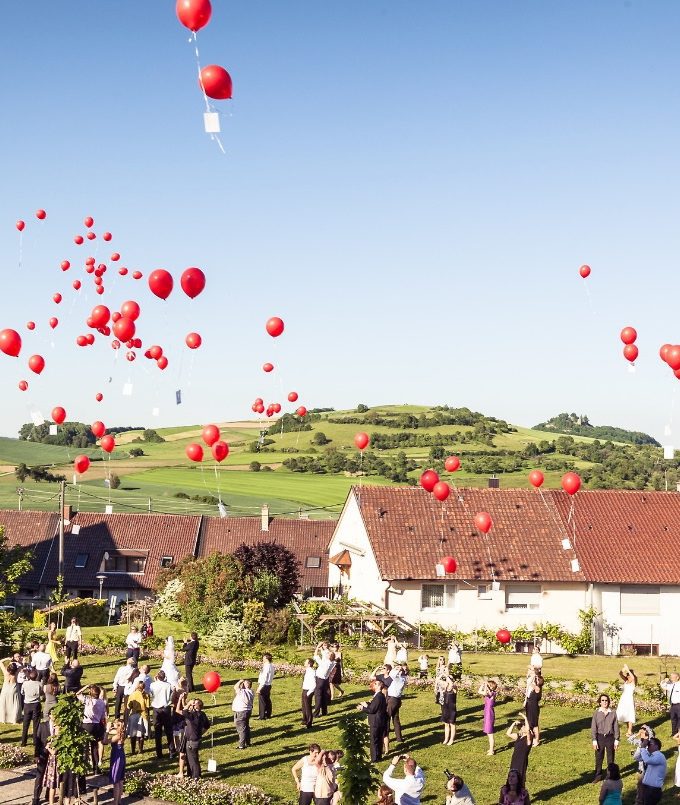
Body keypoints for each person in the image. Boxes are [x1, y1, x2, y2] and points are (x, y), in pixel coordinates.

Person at [78, 684, 107, 774]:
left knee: (85, 747)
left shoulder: (88, 700)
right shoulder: (102, 702)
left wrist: (86, 687)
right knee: (95, 747)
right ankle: (96, 768)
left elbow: (78, 694)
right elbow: (103, 716)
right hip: (97, 725)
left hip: (87, 725)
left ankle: (84, 769)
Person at [591, 694, 620, 783]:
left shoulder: (613, 713)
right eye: (603, 700)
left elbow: (616, 727)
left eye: (606, 700)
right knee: (599, 758)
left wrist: (616, 740)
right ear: (600, 702)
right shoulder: (596, 713)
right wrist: (594, 740)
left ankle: (610, 776)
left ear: (608, 702)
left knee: (610, 758)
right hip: (600, 737)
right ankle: (598, 775)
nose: (604, 702)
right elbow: (593, 727)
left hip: (610, 737)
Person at [358, 679, 388, 763]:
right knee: (379, 739)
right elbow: (375, 707)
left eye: (376, 684)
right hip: (380, 721)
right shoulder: (380, 695)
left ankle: (374, 758)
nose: (375, 685)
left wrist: (363, 708)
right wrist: (367, 704)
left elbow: (372, 710)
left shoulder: (378, 696)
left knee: (374, 739)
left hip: (375, 721)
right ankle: (378, 756)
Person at [183, 697, 210, 779]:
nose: (193, 704)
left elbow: (184, 712)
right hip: (196, 739)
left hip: (192, 741)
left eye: (195, 703)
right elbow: (207, 726)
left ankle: (196, 777)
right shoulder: (202, 714)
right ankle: (191, 775)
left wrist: (188, 704)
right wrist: (200, 733)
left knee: (193, 760)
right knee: (191, 759)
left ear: (198, 706)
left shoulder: (194, 715)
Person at [150, 669, 175, 759]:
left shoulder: (153, 685)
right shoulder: (168, 685)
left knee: (158, 732)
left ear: (157, 677)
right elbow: (172, 691)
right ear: (164, 677)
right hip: (166, 708)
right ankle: (171, 751)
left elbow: (151, 693)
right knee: (168, 731)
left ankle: (159, 753)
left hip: (156, 709)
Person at [32, 709, 56, 805]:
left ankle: (48, 795)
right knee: (40, 776)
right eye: (53, 714)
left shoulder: (59, 727)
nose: (55, 717)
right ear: (49, 715)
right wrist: (36, 755)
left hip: (54, 756)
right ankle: (36, 798)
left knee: (52, 776)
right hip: (43, 754)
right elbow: (37, 742)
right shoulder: (42, 726)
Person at [634, 737, 666, 804]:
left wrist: (643, 748)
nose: (648, 745)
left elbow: (647, 760)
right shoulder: (651, 755)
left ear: (656, 746)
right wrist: (641, 746)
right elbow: (636, 757)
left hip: (653, 790)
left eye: (650, 743)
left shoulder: (659, 756)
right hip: (648, 788)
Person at [507, 713, 534, 782]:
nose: (522, 727)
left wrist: (525, 717)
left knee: (519, 778)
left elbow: (528, 731)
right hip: (514, 760)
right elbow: (508, 733)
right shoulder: (518, 737)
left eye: (523, 726)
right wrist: (513, 724)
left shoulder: (528, 740)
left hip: (521, 762)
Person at [126, 678, 150, 754]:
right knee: (141, 734)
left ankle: (133, 750)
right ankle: (140, 749)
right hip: (143, 715)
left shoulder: (132, 694)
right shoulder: (146, 695)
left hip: (133, 715)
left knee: (133, 734)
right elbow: (148, 706)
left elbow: (128, 706)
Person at [21, 668, 43, 746]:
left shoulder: (25, 683)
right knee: (36, 724)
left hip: (27, 704)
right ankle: (35, 741)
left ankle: (23, 742)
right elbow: (41, 693)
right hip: (36, 704)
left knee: (25, 724)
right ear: (36, 676)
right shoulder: (39, 684)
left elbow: (22, 692)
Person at [172, 678, 189, 776]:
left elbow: (176, 702)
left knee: (178, 732)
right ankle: (178, 746)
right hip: (178, 711)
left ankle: (178, 747)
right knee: (177, 731)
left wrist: (179, 698)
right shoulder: (182, 689)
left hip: (179, 711)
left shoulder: (181, 690)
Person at [107, 718, 126, 805]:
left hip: (116, 755)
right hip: (121, 754)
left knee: (116, 781)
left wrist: (107, 730)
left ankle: (115, 802)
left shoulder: (117, 735)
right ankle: (119, 800)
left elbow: (105, 741)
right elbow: (113, 731)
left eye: (115, 724)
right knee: (120, 780)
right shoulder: (122, 733)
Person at [312, 645, 336, 717]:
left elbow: (316, 656)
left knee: (318, 696)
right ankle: (324, 712)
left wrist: (317, 648)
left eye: (328, 654)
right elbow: (325, 654)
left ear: (329, 657)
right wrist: (322, 649)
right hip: (325, 680)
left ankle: (316, 713)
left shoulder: (325, 663)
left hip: (320, 680)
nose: (326, 654)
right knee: (323, 696)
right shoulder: (332, 662)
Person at [386, 665, 407, 744]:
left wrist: (396, 669)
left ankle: (385, 736)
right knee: (395, 719)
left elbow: (391, 674)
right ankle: (399, 738)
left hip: (392, 699)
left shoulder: (399, 678)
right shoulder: (403, 678)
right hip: (397, 699)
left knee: (387, 718)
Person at [232, 678, 254, 749]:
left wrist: (240, 681)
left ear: (247, 685)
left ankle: (241, 745)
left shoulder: (242, 692)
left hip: (241, 712)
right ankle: (248, 742)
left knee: (241, 729)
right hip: (247, 711)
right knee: (246, 727)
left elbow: (235, 687)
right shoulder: (251, 692)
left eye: (244, 683)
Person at [616, 664, 637, 737]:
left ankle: (630, 731)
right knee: (623, 713)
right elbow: (620, 674)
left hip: (629, 699)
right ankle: (627, 728)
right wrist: (623, 669)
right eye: (627, 675)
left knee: (630, 714)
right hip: (623, 698)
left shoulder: (633, 682)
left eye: (629, 675)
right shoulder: (626, 681)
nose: (628, 676)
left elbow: (633, 677)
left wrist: (628, 669)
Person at [479, 679, 498, 755]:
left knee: (490, 733)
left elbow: (486, 692)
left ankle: (491, 750)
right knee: (488, 732)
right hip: (487, 712)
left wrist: (486, 685)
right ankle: (490, 749)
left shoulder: (492, 693)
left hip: (489, 714)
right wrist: (483, 685)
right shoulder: (489, 693)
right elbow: (480, 691)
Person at [0, 658, 22, 724]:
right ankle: (14, 719)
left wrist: (7, 659)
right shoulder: (16, 673)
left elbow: (0, 662)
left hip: (5, 689)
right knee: (14, 704)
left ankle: (4, 719)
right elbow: (21, 666)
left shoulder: (5, 673)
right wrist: (18, 661)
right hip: (13, 689)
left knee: (4, 704)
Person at [524, 672, 543, 745]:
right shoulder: (537, 687)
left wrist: (532, 676)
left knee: (534, 724)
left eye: (536, 679)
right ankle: (532, 737)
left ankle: (537, 740)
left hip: (533, 708)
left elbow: (529, 684)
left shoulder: (537, 688)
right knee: (532, 723)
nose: (535, 679)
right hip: (531, 706)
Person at [660, 671, 680, 738]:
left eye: (673, 677)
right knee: (673, 718)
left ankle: (678, 733)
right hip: (673, 705)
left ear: (677, 677)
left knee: (679, 719)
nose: (671, 678)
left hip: (679, 704)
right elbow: (663, 686)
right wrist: (664, 681)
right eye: (671, 677)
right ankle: (674, 732)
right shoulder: (671, 685)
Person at [257, 652, 275, 720]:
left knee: (262, 701)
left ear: (266, 658)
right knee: (267, 700)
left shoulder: (266, 667)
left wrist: (259, 688)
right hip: (269, 685)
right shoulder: (271, 666)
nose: (262, 658)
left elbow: (264, 678)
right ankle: (268, 714)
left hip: (264, 685)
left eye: (263, 657)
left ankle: (262, 716)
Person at [440, 676, 457, 746]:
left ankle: (451, 739)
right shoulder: (445, 688)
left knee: (452, 724)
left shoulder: (454, 688)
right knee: (446, 724)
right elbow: (440, 681)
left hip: (452, 709)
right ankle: (446, 738)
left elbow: (451, 684)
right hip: (445, 708)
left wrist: (448, 676)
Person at [301, 658, 316, 729]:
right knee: (304, 706)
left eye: (306, 662)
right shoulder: (307, 671)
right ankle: (305, 720)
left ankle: (309, 722)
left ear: (309, 664)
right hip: (305, 690)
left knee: (308, 707)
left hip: (308, 691)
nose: (304, 662)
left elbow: (314, 684)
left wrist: (308, 693)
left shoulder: (311, 672)